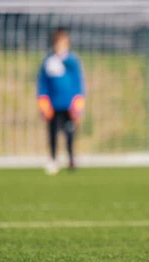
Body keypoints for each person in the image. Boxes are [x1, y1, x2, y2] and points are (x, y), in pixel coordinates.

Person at [37, 27, 85, 175]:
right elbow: (43, 84)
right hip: (53, 105)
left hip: (69, 105)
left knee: (70, 133)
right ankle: (53, 159)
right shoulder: (48, 61)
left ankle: (71, 158)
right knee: (52, 133)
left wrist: (78, 102)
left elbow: (78, 83)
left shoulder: (72, 61)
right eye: (58, 43)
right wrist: (43, 102)